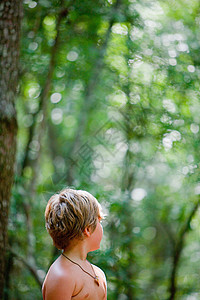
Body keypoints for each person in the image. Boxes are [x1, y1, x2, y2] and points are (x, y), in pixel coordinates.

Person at [42, 188, 107, 300]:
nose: (101, 226)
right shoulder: (61, 276)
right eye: (99, 221)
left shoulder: (98, 273)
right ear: (87, 229)